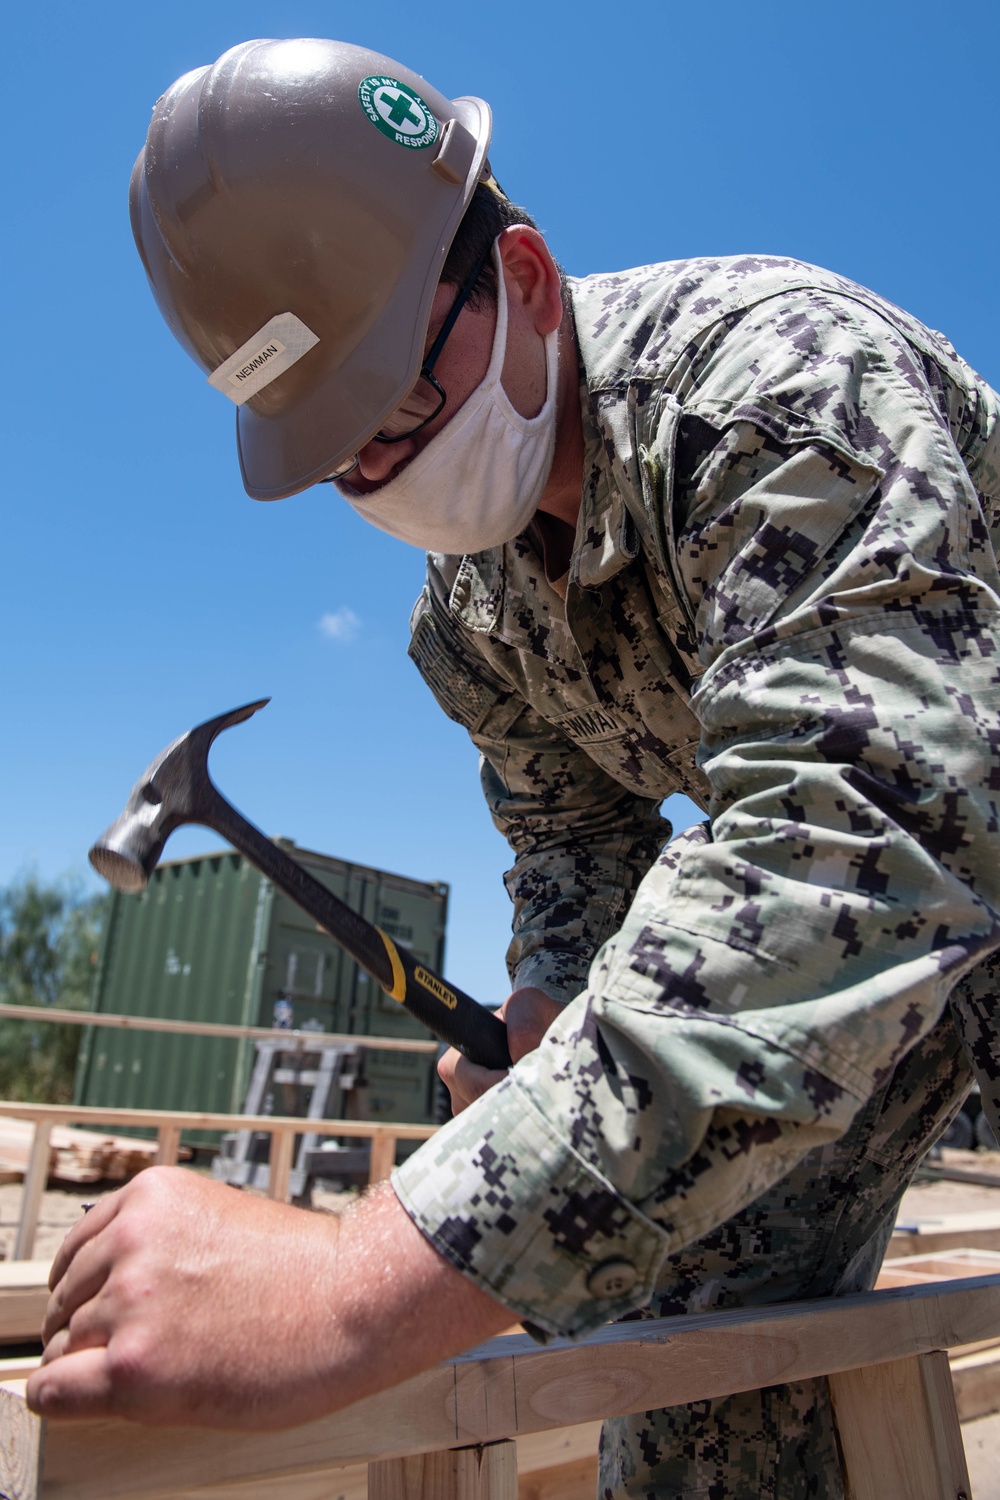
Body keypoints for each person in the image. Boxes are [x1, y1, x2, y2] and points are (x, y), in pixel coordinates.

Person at [28, 36, 1000, 1499]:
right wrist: (548, 1007)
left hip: (913, 871)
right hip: (849, 935)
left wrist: (359, 1284)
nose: (386, 477)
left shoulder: (781, 389)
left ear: (527, 283)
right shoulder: (471, 617)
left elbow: (848, 850)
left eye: (397, 409)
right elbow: (573, 847)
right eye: (341, 453)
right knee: (685, 1297)